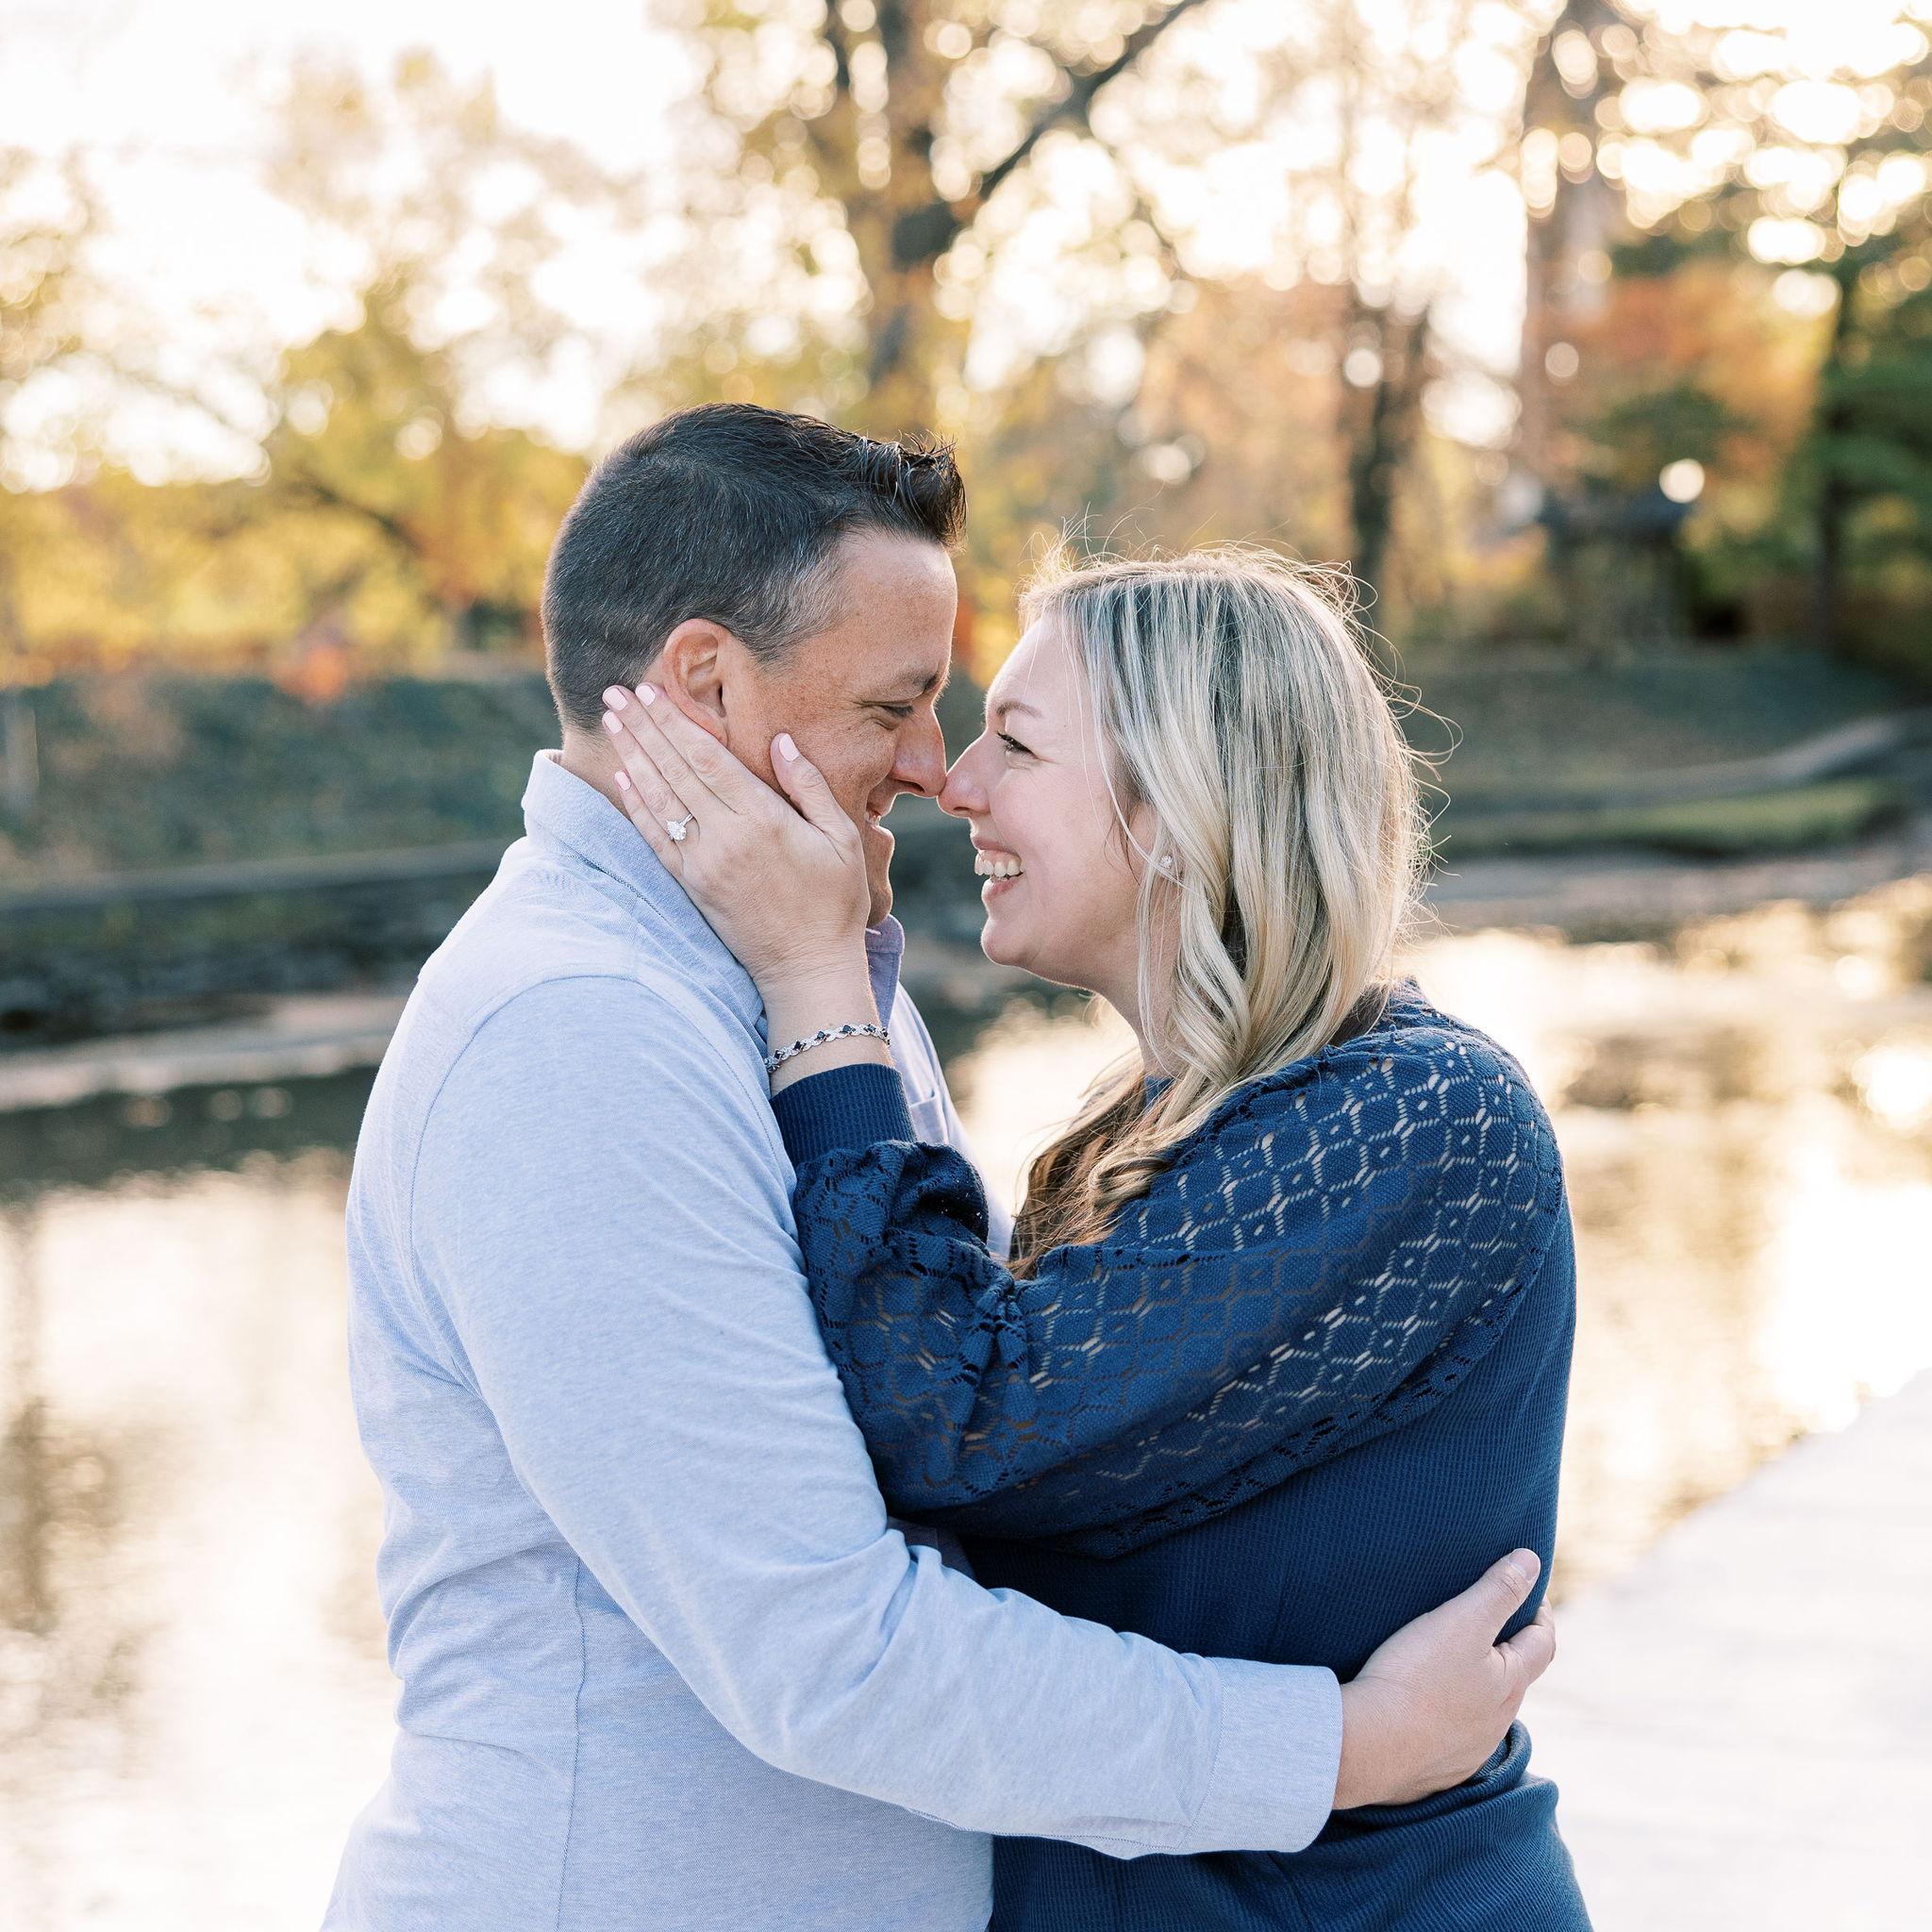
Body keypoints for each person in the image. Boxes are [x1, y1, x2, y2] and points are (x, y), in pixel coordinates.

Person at [325, 405, 1557, 1932]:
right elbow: (831, 1645)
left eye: (984, 729)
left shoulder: (808, 977)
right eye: (899, 706)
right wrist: (1342, 1747)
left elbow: (963, 1428)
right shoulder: (576, 1031)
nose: (934, 771)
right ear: (707, 682)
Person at [599, 540, 1590, 1930]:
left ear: (1183, 803)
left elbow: (957, 1425)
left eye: (1017, 742)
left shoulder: (1419, 1116)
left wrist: (813, 982)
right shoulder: (1146, 1134)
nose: (958, 784)